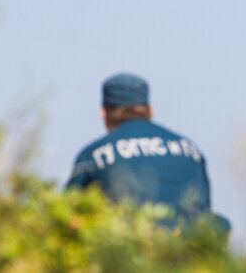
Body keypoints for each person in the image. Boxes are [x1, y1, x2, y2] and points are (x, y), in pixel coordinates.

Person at [65, 73, 229, 231]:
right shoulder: (191, 150)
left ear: (104, 114)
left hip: (127, 250)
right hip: (190, 251)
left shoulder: (93, 154)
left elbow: (68, 215)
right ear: (151, 111)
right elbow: (204, 210)